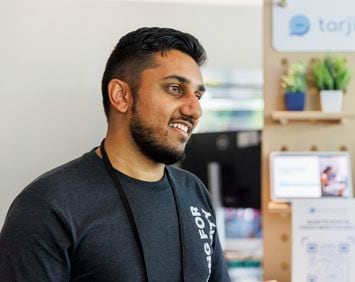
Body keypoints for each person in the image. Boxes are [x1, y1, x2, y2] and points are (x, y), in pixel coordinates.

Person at [0, 27, 230, 281]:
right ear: (121, 96)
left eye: (198, 95)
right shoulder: (48, 205)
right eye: (175, 88)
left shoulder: (193, 191)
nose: (195, 109)